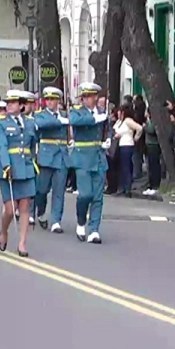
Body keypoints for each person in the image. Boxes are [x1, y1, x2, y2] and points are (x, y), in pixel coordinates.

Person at [0, 90, 38, 256]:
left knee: (25, 206)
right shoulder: (0, 123)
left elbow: (33, 144)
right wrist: (6, 165)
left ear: (21, 105)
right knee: (11, 209)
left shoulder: (31, 123)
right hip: (8, 167)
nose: (9, 105)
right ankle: (4, 231)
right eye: (8, 102)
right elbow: (1, 146)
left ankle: (22, 243)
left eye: (13, 102)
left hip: (25, 167)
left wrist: (33, 161)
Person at [70, 83, 110, 243]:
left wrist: (108, 139)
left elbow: (109, 129)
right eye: (85, 97)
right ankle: (81, 221)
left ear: (95, 97)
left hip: (99, 157)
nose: (87, 99)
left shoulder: (102, 112)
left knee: (98, 197)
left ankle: (94, 230)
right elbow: (75, 121)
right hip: (83, 158)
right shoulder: (77, 112)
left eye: (90, 96)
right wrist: (94, 119)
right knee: (85, 194)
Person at [33, 86, 70, 233]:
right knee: (41, 190)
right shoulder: (40, 115)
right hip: (47, 155)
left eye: (52, 99)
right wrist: (60, 121)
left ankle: (56, 221)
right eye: (47, 99)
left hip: (61, 155)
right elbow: (41, 125)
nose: (49, 102)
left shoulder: (64, 114)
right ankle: (41, 212)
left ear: (58, 101)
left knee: (59, 190)